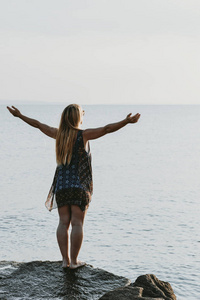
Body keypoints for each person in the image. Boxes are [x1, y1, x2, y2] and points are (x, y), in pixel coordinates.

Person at [7, 104, 141, 269]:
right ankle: (74, 261)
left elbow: (38, 124)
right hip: (79, 187)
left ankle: (65, 261)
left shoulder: (58, 135)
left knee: (63, 223)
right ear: (78, 118)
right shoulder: (83, 135)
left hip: (62, 187)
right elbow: (106, 129)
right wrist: (126, 121)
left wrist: (20, 116)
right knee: (77, 223)